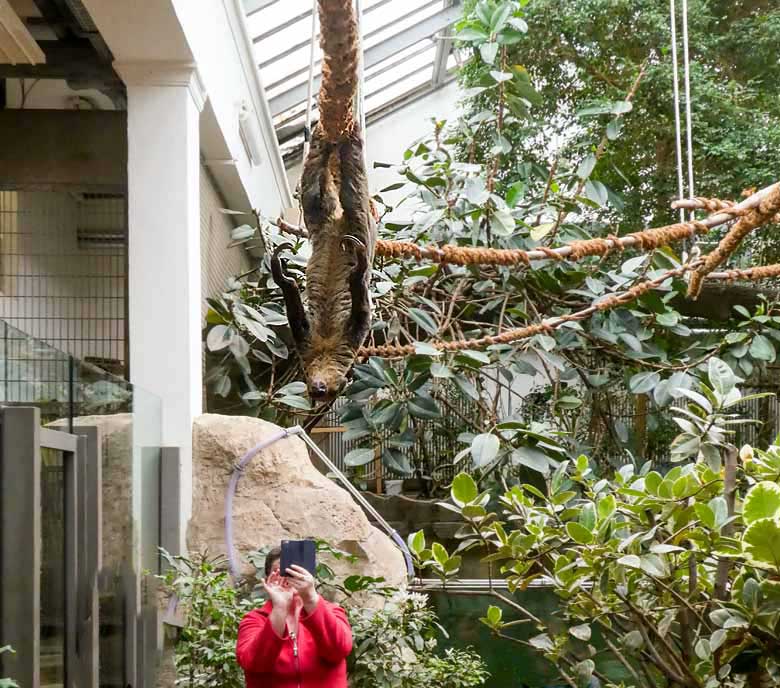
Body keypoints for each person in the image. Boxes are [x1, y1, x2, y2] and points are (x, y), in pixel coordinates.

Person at [236, 546, 353, 687]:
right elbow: (255, 664)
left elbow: (339, 649)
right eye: (281, 572)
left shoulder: (332, 611)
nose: (289, 578)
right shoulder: (254, 620)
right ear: (268, 580)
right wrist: (279, 608)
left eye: (295, 572)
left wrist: (310, 598)